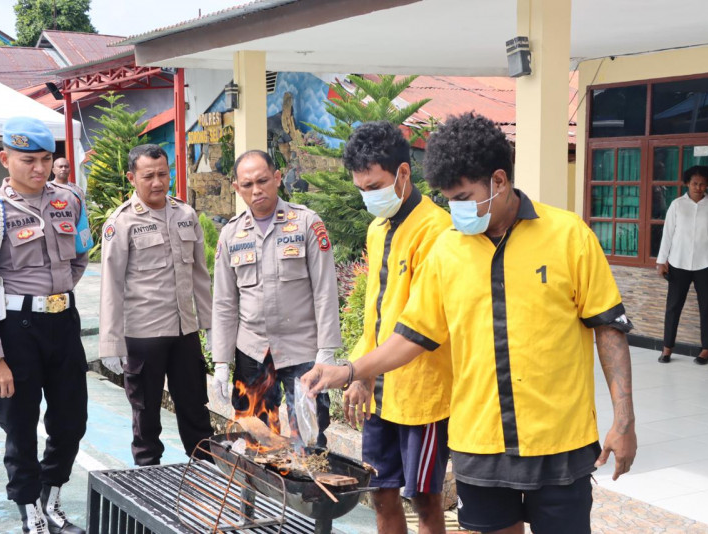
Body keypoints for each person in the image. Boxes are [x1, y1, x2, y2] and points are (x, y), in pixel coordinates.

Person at [303, 113, 637, 534]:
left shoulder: (569, 236)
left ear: (499, 180)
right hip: (478, 442)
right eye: (448, 199)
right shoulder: (448, 251)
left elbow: (608, 326)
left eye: (463, 197)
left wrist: (624, 420)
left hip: (559, 442)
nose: (456, 210)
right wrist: (352, 370)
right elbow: (414, 335)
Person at [0, 117, 90, 534]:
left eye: (46, 159)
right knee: (19, 424)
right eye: (28, 160)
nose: (39, 168)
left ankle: (51, 498)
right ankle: (28, 508)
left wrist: (62, 288)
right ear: (5, 159)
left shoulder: (69, 199)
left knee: (71, 419)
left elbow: (82, 251)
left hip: (63, 323)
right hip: (17, 330)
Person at [342, 121, 453, 534]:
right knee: (380, 490)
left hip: (420, 392)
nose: (368, 196)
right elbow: (376, 310)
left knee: (424, 499)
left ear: (403, 173)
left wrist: (361, 369)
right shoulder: (378, 229)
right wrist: (362, 372)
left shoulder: (437, 230)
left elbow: (421, 325)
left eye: (375, 186)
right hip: (379, 393)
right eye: (361, 188)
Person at [211, 149, 341, 447]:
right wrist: (220, 361)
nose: (256, 190)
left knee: (308, 439)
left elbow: (325, 291)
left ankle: (304, 494)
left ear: (278, 178)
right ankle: (253, 493)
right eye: (247, 185)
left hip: (302, 350)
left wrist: (327, 350)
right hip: (252, 351)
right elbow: (224, 303)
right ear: (237, 188)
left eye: (263, 180)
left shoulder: (306, 223)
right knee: (254, 437)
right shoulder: (231, 234)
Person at [98, 144, 214, 464]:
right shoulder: (121, 222)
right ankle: (148, 479)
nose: (157, 182)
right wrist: (111, 343)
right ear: (132, 178)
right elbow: (111, 285)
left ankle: (205, 475)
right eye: (148, 176)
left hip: (184, 332)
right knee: (146, 416)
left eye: (163, 174)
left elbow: (200, 276)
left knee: (195, 410)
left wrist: (210, 326)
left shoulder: (186, 215)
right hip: (143, 335)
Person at [656, 165, 708, 364]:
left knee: (707, 307)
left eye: (702, 184)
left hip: (707, 263)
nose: (698, 187)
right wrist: (661, 261)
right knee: (673, 307)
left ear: (707, 185)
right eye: (695, 183)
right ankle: (667, 348)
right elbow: (668, 234)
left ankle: (706, 349)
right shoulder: (677, 205)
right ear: (687, 183)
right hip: (679, 263)